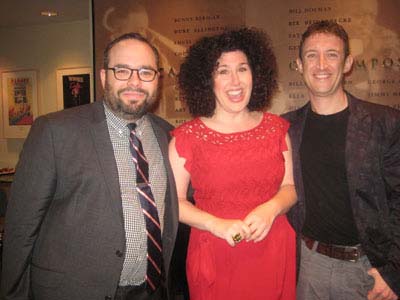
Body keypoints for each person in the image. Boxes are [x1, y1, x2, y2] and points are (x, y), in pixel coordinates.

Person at [1, 32, 179, 300]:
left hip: (151, 291)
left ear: (157, 79)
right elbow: (21, 227)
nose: (134, 81)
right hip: (74, 291)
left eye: (145, 72)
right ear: (104, 77)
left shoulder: (167, 135)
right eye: (122, 70)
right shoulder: (55, 131)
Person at [169, 28, 297, 300]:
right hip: (217, 251)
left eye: (242, 69)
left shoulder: (276, 129)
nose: (235, 80)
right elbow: (174, 203)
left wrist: (271, 209)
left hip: (273, 248)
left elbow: (290, 188)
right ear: (207, 80)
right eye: (222, 71)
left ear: (256, 74)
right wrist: (217, 224)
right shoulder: (187, 137)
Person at [283, 20, 400, 300]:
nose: (321, 64)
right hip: (309, 266)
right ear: (299, 64)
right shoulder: (286, 128)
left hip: (370, 269)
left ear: (347, 63)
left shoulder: (384, 122)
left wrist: (394, 271)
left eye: (332, 54)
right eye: (312, 55)